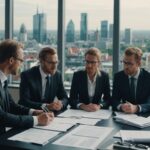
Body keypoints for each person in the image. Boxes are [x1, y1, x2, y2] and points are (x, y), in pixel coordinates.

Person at [0, 39, 54, 135]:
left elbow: (12, 106)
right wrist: (36, 120)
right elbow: (2, 117)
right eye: (21, 60)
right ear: (11, 60)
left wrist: (33, 112)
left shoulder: (3, 80)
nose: (22, 64)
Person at [19, 47, 68, 113]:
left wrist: (61, 104)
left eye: (56, 62)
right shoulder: (27, 75)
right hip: (30, 114)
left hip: (48, 115)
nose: (54, 67)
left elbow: (64, 97)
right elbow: (24, 101)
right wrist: (45, 106)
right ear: (41, 61)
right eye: (51, 63)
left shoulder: (57, 75)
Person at [70, 47, 111, 112]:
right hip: (81, 112)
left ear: (98, 63)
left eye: (93, 62)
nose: (89, 65)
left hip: (97, 112)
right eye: (87, 62)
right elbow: (72, 99)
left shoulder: (104, 76)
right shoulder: (77, 75)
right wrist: (83, 106)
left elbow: (107, 99)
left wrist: (99, 106)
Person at [112, 47, 150, 114]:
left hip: (144, 118)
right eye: (124, 62)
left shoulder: (148, 77)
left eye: (129, 63)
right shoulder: (119, 77)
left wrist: (137, 108)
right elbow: (114, 100)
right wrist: (121, 106)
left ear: (139, 63)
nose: (126, 66)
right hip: (124, 117)